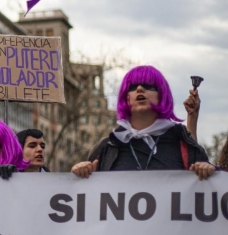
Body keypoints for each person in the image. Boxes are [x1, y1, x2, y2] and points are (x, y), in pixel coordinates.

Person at [71, 65, 215, 179]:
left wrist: (207, 171)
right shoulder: (107, 147)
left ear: (161, 96)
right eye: (132, 87)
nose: (140, 89)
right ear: (127, 98)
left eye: (148, 86)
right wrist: (82, 173)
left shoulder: (181, 143)